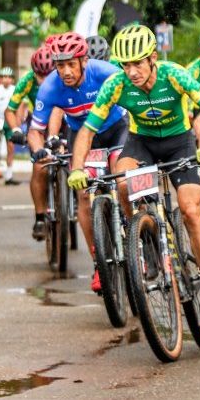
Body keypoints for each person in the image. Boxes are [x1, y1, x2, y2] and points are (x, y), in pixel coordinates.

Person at [69, 25, 200, 327]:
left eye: (137, 63)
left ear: (153, 58)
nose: (131, 71)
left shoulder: (174, 74)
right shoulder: (116, 84)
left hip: (178, 142)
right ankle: (143, 239)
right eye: (125, 65)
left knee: (191, 210)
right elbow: (87, 131)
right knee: (121, 181)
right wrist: (77, 168)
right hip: (140, 143)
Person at [28, 32, 126, 292]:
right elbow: (35, 130)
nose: (66, 71)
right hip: (81, 137)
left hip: (115, 129)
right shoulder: (50, 87)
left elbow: (134, 93)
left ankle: (137, 233)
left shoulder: (103, 71)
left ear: (84, 61)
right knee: (83, 194)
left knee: (122, 179)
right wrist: (38, 151)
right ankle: (99, 263)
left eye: (72, 63)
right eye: (61, 65)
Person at [7, 46, 55, 237]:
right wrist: (16, 129)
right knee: (39, 167)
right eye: (39, 75)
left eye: (47, 74)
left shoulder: (62, 78)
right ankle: (40, 217)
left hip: (64, 122)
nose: (43, 80)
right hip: (39, 123)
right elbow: (10, 109)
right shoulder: (27, 81)